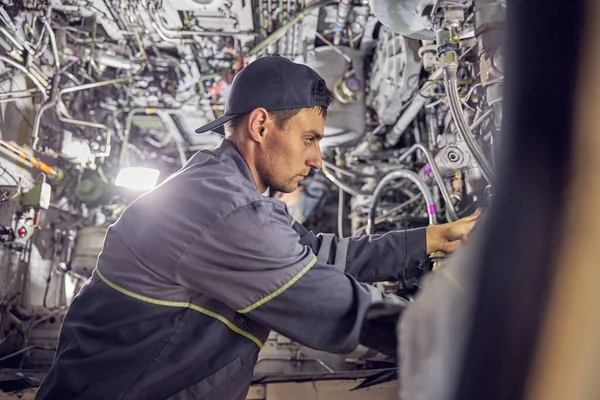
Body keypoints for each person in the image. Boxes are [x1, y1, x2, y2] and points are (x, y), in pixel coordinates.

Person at [36, 55, 480, 400]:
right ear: (261, 124)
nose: (317, 159)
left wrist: (433, 237)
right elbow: (336, 310)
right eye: (309, 139)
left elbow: (322, 256)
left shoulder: (224, 192)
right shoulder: (225, 210)